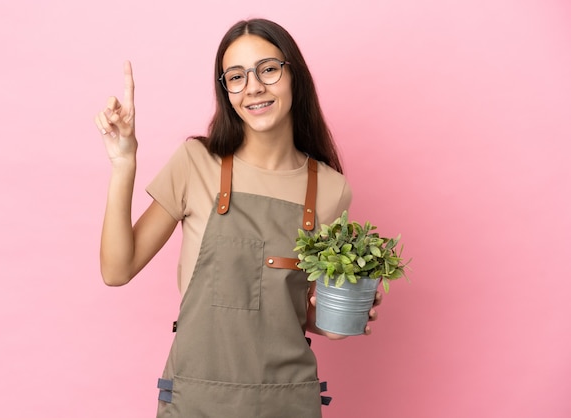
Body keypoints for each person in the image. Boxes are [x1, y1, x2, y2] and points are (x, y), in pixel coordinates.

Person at [94, 18, 382, 418]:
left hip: (287, 402)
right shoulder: (196, 163)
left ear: (293, 74)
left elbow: (293, 305)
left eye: (267, 69)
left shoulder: (331, 189)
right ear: (225, 91)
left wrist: (340, 314)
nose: (253, 87)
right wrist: (123, 162)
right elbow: (116, 269)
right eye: (236, 76)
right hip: (196, 401)